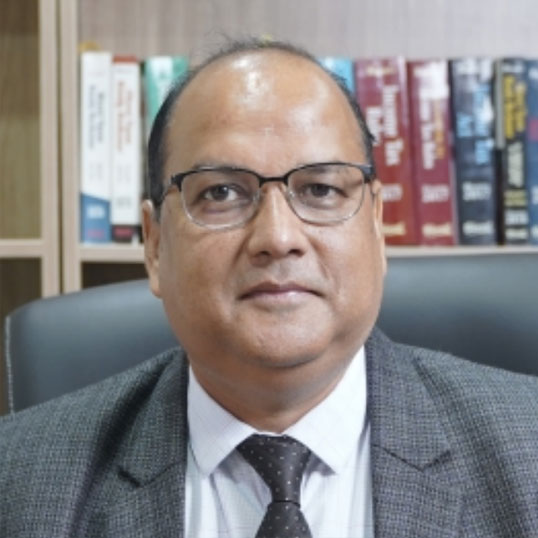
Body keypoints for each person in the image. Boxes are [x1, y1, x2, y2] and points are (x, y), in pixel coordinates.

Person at [1, 40, 538, 538]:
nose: (278, 238)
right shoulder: (17, 484)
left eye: (320, 188)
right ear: (156, 245)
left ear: (376, 226)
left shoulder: (527, 449)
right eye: (222, 192)